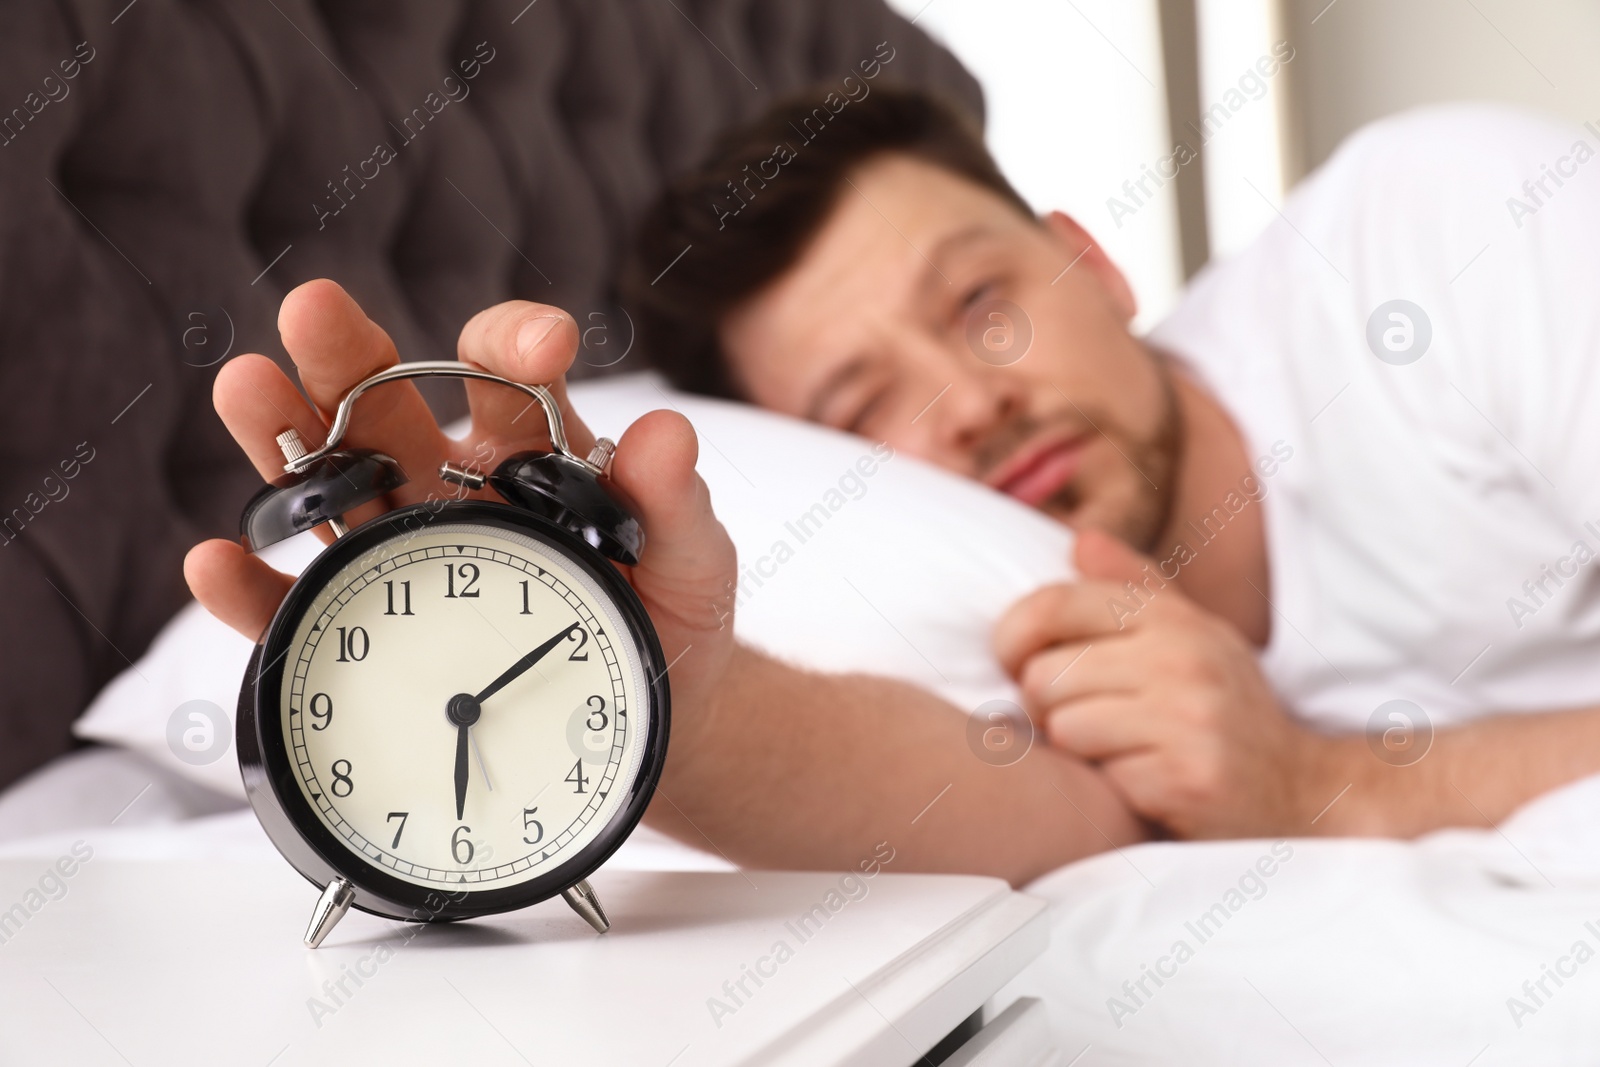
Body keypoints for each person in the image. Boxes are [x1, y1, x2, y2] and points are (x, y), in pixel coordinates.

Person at [187, 87, 1600, 885]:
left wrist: (1326, 785)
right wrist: (640, 683)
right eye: (865, 409)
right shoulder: (1026, 619)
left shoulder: (1440, 236)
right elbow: (1036, 822)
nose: (972, 401)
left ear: (1091, 263)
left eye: (985, 305)